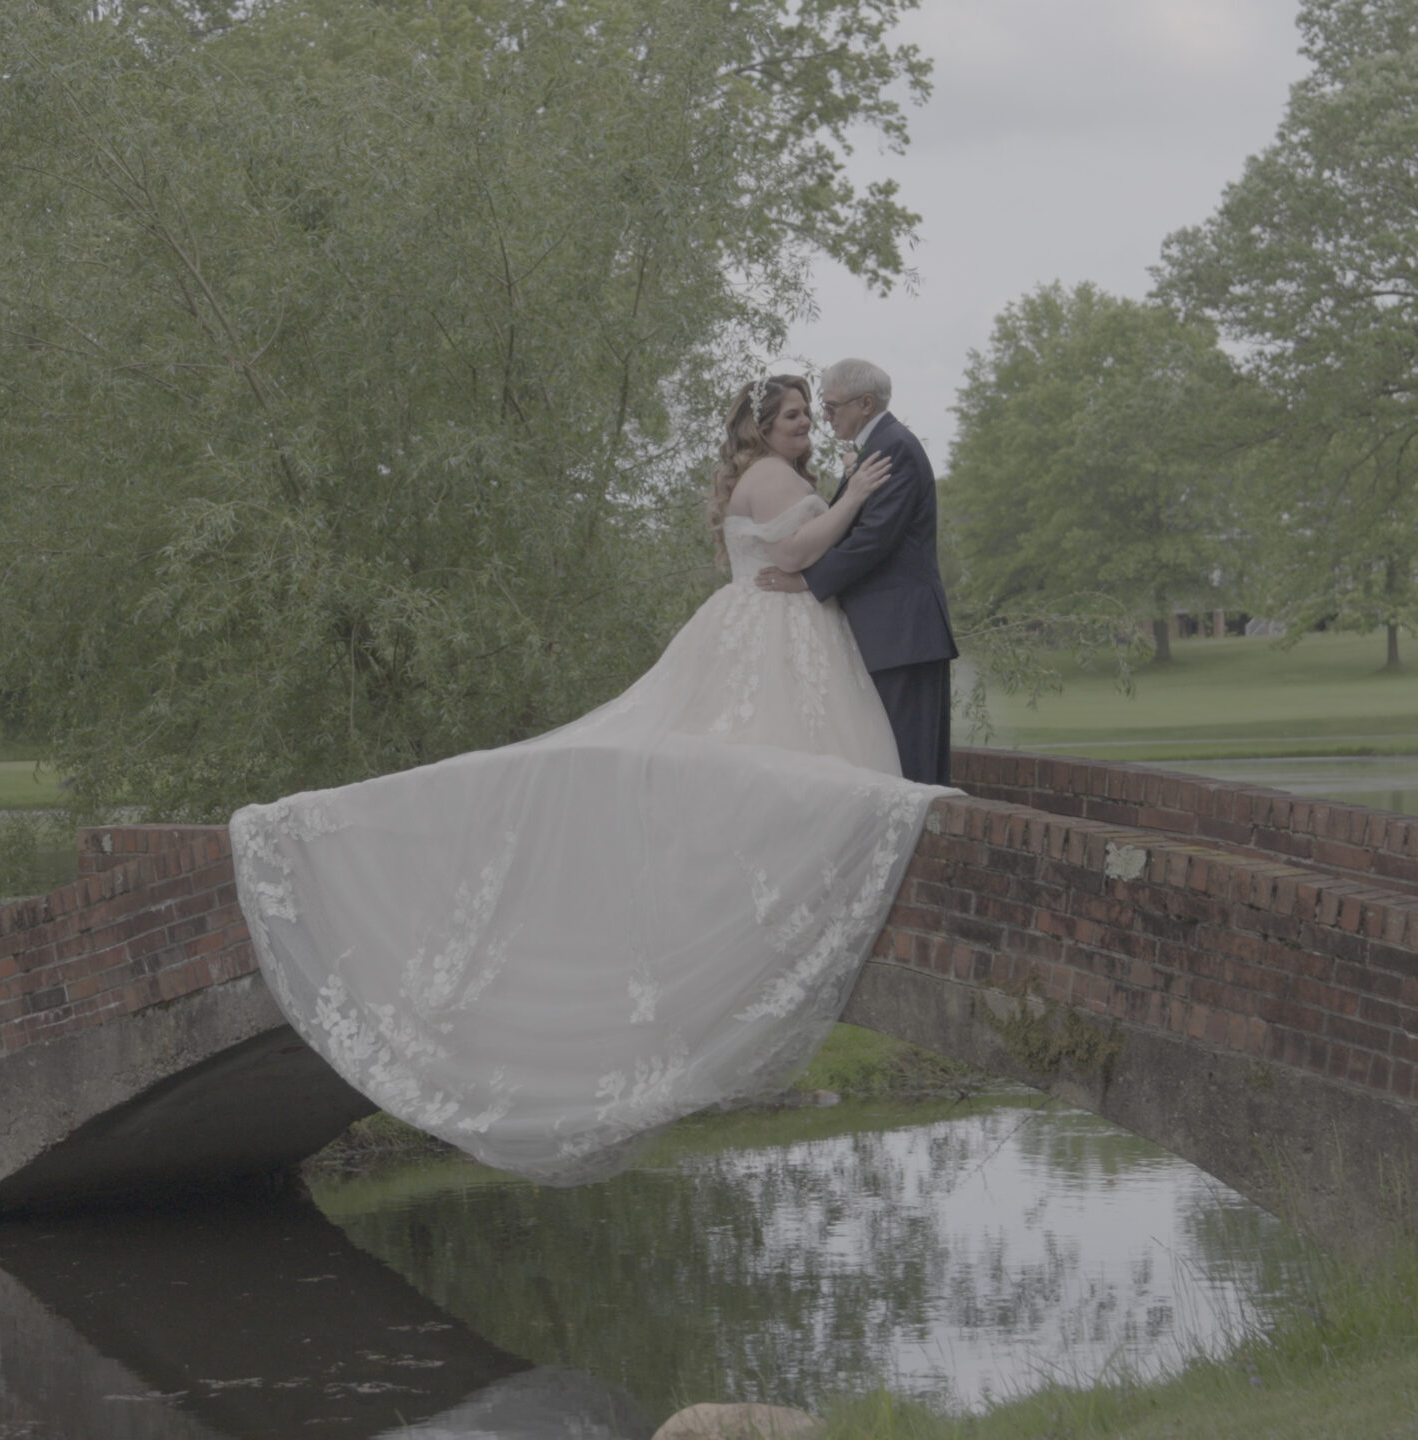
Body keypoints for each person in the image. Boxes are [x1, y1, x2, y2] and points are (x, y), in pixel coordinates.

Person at [230, 375, 958, 1185]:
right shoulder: (776, 478)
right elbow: (794, 552)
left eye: (810, 417)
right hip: (772, 635)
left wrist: (838, 504)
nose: (808, 431)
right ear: (762, 429)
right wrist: (853, 496)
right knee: (763, 765)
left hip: (777, 634)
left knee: (766, 761)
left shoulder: (768, 475)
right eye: (794, 418)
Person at [754, 359, 959, 785]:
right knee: (889, 766)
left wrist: (805, 581)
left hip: (902, 633)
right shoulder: (880, 446)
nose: (821, 418)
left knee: (910, 772)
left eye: (829, 407)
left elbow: (872, 539)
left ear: (866, 404)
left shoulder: (893, 447)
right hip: (889, 633)